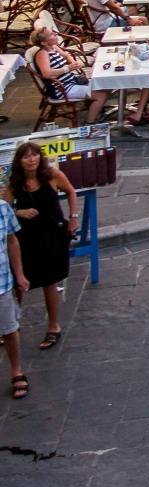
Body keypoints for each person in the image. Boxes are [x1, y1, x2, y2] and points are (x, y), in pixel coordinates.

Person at [6, 141, 78, 349]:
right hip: (26, 237)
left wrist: (73, 218)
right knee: (20, 282)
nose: (31, 159)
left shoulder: (52, 175)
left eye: (34, 155)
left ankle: (53, 326)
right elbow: (6, 207)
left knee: (50, 281)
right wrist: (20, 212)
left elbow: (71, 192)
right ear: (20, 161)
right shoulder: (15, 183)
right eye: (26, 156)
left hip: (52, 234)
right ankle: (11, 326)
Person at [0, 178, 24, 402]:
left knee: (9, 329)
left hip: (2, 283)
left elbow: (12, 241)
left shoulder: (2, 209)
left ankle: (16, 370)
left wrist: (19, 274)